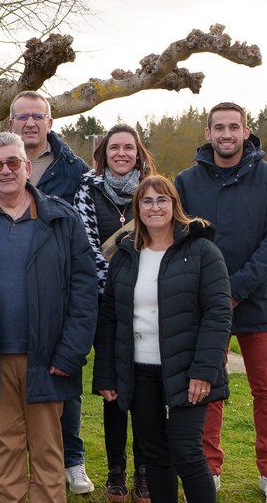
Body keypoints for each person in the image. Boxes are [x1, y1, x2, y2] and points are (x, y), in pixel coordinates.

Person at [0, 132, 99, 503]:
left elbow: (84, 293)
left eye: (12, 163)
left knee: (49, 452)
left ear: (27, 167)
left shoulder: (62, 219)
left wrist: (70, 354)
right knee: (4, 448)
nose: (5, 171)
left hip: (48, 357)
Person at [174, 102, 267, 503]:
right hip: (205, 303)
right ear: (207, 133)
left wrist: (235, 288)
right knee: (206, 385)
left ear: (246, 131)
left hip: (257, 299)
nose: (226, 134)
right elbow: (182, 239)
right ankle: (209, 468)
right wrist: (212, 291)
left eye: (234, 127)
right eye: (218, 127)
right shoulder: (186, 181)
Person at [93, 176, 231, 503]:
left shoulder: (202, 251)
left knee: (187, 452)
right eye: (147, 201)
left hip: (188, 371)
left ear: (174, 205)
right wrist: (107, 373)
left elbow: (218, 313)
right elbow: (110, 317)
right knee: (155, 456)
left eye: (162, 200)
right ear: (137, 209)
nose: (154, 207)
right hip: (140, 371)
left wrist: (204, 371)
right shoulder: (127, 256)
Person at [73, 124, 158, 502]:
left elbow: (161, 243)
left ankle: (143, 470)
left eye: (128, 148)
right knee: (112, 389)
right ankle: (114, 469)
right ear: (103, 153)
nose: (121, 153)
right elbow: (86, 244)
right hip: (104, 303)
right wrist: (116, 283)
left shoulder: (153, 191)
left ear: (139, 153)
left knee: (144, 390)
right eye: (114, 148)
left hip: (147, 304)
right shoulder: (86, 191)